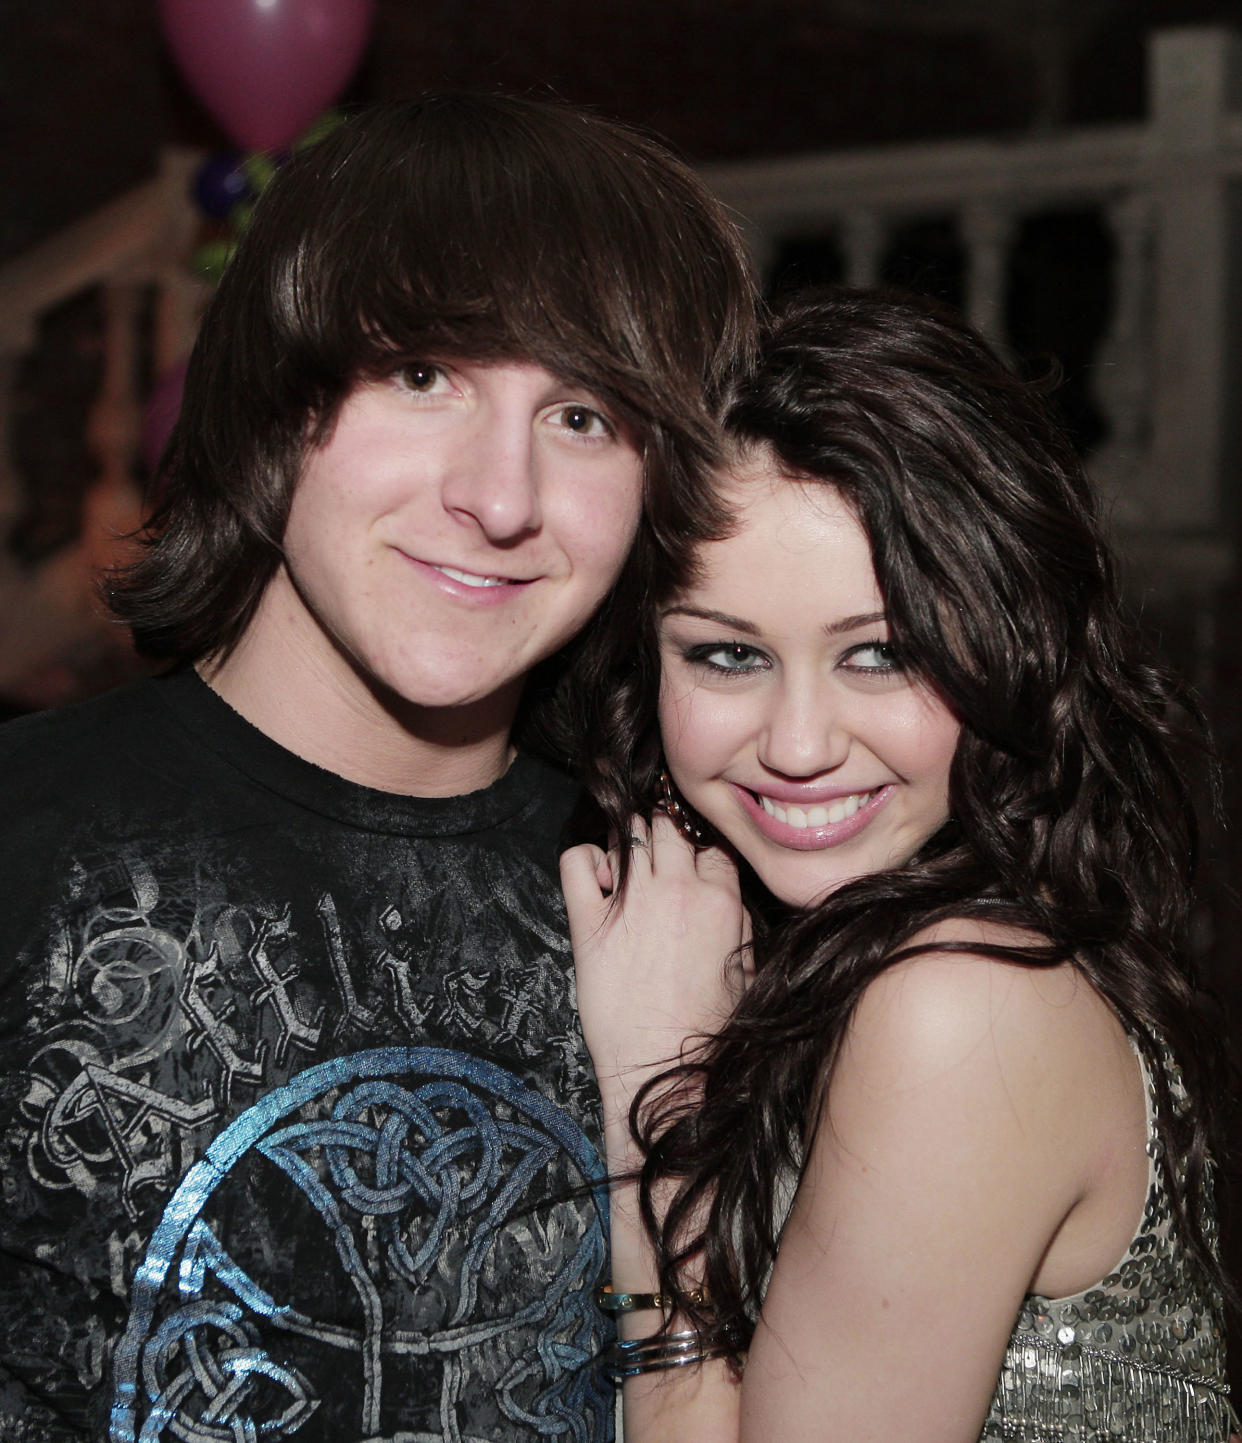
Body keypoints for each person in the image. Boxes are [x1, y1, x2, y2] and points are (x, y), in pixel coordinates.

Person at [0, 93, 758, 1443]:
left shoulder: (691, 910)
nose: (502, 493)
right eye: (425, 376)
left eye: (583, 414)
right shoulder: (29, 840)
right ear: (278, 404)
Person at [562, 287, 1236, 1442]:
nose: (800, 745)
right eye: (727, 655)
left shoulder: (962, 1005)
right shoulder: (862, 948)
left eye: (880, 654)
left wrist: (651, 1109)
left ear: (1007, 646)